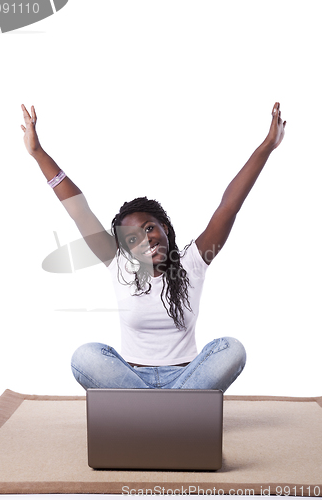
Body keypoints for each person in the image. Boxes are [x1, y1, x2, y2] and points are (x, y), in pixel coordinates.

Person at [21, 102, 286, 392]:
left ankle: (154, 412)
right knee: (85, 356)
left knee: (231, 348)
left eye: (149, 228)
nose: (145, 240)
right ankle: (170, 411)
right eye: (132, 239)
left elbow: (229, 206)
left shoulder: (193, 262)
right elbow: (79, 211)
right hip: (132, 379)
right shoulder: (118, 264)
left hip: (188, 379)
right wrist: (38, 153)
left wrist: (266, 147)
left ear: (166, 229)